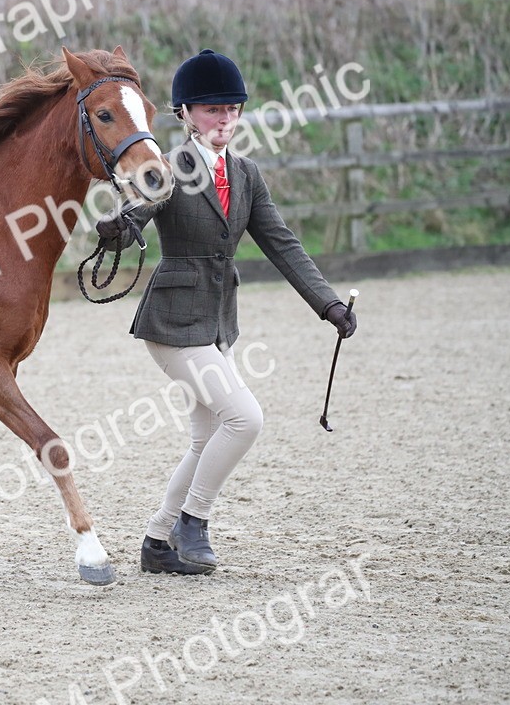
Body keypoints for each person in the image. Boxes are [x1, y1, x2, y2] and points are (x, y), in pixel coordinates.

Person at [95, 48, 357, 575]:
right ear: (186, 114)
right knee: (245, 418)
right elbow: (142, 206)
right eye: (213, 110)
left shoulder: (246, 174)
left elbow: (281, 242)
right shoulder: (169, 168)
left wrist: (326, 303)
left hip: (217, 323)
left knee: (205, 438)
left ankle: (157, 542)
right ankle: (195, 521)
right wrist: (122, 226)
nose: (225, 120)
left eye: (232, 110)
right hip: (173, 323)